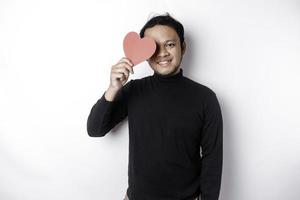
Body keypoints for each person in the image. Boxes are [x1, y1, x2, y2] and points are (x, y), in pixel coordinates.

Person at [87, 13, 223, 200]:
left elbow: (212, 160)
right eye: (154, 47)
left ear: (183, 47)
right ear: (145, 53)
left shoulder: (205, 99)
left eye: (170, 44)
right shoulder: (134, 90)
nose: (162, 53)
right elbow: (95, 129)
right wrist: (113, 88)